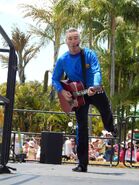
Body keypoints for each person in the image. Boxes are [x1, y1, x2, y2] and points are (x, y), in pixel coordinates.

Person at [52, 27, 117, 172]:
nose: (73, 41)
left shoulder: (89, 54)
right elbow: (55, 79)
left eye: (75, 38)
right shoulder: (62, 59)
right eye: (70, 38)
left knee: (106, 111)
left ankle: (111, 128)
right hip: (77, 95)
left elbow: (96, 70)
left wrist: (94, 86)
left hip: (94, 90)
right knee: (81, 128)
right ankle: (82, 164)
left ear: (79, 40)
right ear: (66, 41)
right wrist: (62, 91)